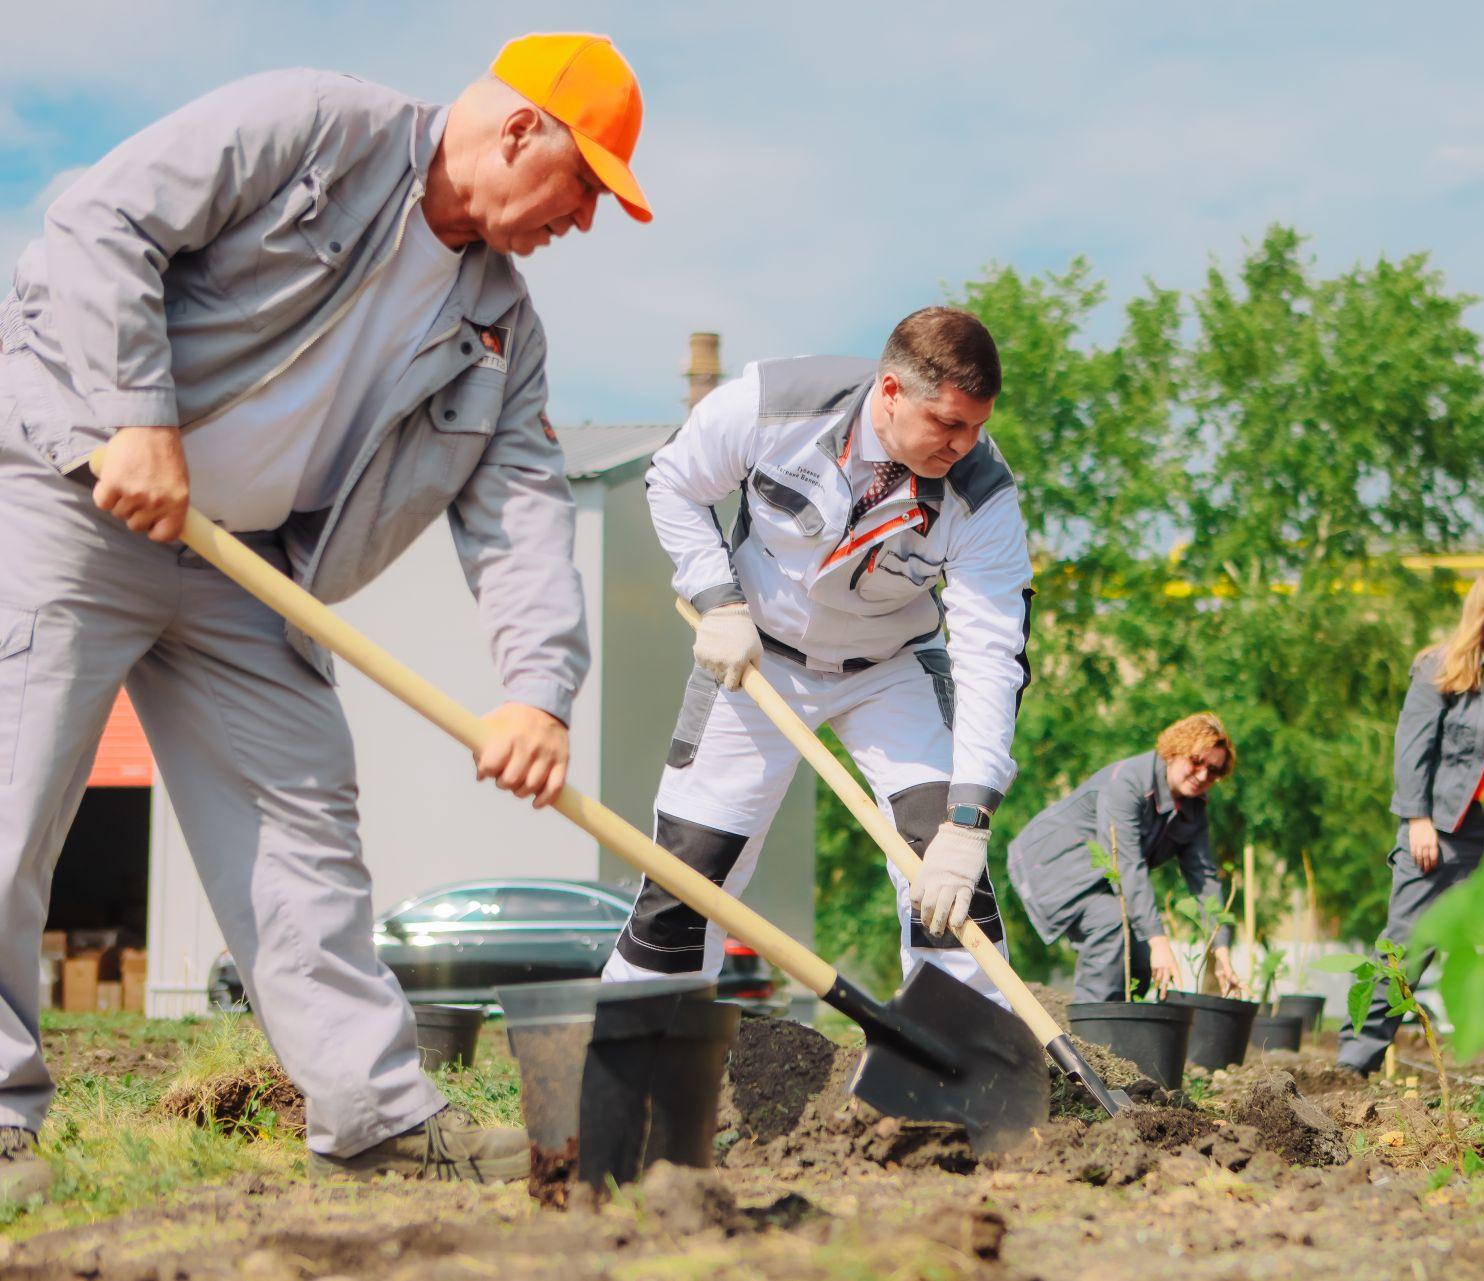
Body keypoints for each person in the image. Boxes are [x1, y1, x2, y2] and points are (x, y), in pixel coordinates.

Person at [0, 33, 651, 1197]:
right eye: (587, 187)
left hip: (241, 563)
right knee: (15, 795)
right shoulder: (312, 128)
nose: (585, 222)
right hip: (78, 489)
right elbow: (100, 223)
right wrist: (137, 413)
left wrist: (538, 694)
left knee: (305, 818)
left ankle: (375, 1116)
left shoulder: (504, 334)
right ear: (519, 133)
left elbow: (522, 516)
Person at [601, 308, 1032, 1002]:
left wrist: (969, 816)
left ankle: (967, 1069)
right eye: (948, 424)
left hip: (892, 671)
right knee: (688, 875)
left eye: (977, 426)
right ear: (890, 391)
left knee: (950, 879)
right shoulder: (771, 408)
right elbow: (674, 482)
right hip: (757, 659)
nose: (965, 444)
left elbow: (991, 653)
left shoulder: (981, 494)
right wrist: (717, 599)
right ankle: (633, 1054)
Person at [1336, 571, 1484, 1081]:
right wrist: (1417, 818)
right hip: (1446, 827)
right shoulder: (1443, 668)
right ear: (1479, 613)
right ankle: (1354, 1060)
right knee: (1409, 945)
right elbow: (1413, 747)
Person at [1007, 713, 1243, 1004]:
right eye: (1197, 761)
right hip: (1050, 865)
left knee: (1142, 959)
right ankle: (1088, 1037)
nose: (1204, 775)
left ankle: (1117, 1039)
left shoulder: (1193, 809)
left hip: (1100, 878)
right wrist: (1159, 940)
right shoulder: (1127, 785)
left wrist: (1220, 951)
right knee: (1113, 926)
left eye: (1215, 771)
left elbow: (1205, 878)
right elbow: (1127, 864)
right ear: (1174, 751)